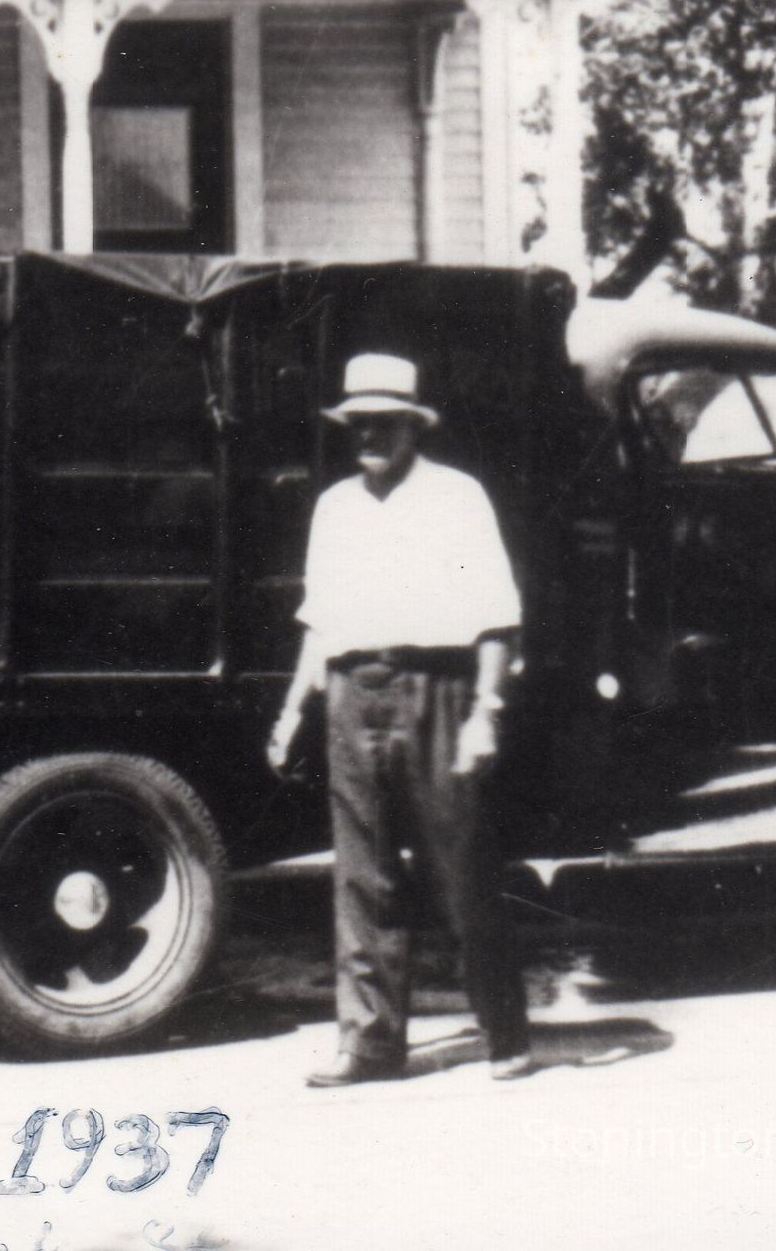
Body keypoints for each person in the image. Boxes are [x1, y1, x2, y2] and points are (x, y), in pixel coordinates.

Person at [266, 352, 541, 1087]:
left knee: (461, 870)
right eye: (359, 423)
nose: (370, 435)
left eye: (386, 422)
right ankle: (371, 1045)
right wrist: (292, 710)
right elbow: (320, 622)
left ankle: (505, 1033)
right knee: (364, 879)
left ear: (414, 427)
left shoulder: (456, 498)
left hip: (436, 689)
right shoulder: (336, 507)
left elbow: (496, 617)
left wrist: (485, 714)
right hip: (352, 692)